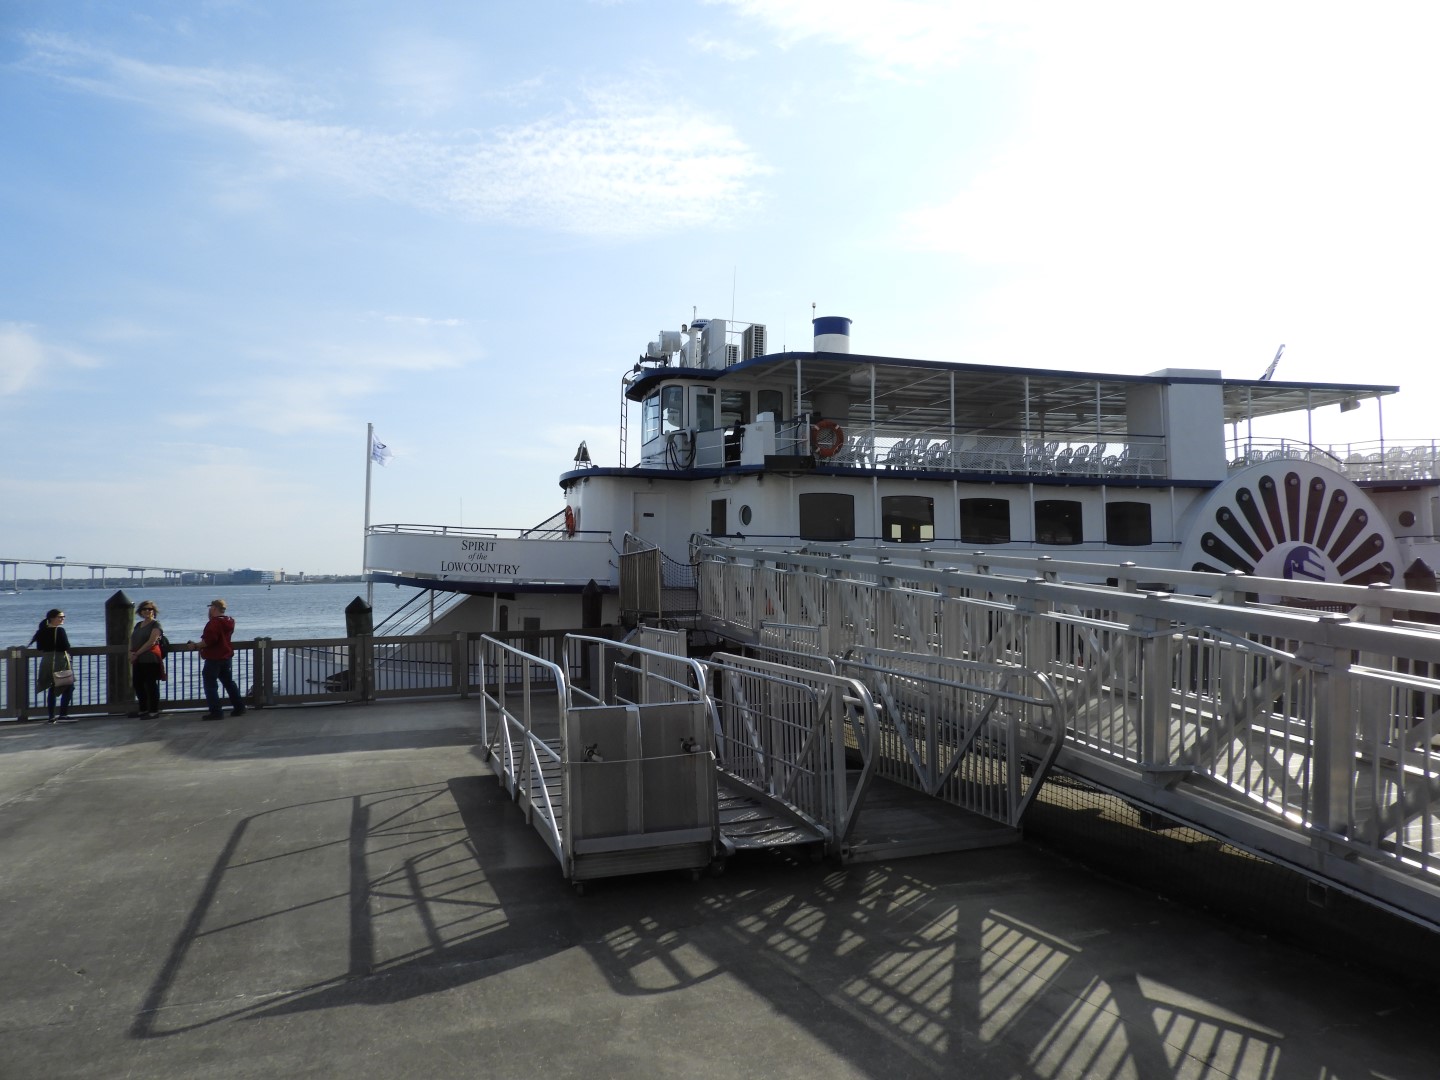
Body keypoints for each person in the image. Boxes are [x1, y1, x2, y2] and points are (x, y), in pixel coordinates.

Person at [195, 599, 246, 720]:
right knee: (229, 683)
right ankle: (239, 707)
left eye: (210, 608)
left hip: (213, 658)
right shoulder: (229, 621)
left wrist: (196, 646)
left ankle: (216, 711)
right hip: (225, 656)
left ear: (214, 608)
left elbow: (209, 640)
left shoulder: (214, 623)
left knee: (210, 685)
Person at [30, 609, 76, 723]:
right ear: (52, 618)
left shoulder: (41, 631)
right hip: (59, 661)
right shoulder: (59, 630)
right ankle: (63, 715)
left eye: (63, 617)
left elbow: (39, 648)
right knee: (69, 686)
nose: (63, 619)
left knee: (52, 688)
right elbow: (65, 646)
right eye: (60, 617)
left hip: (46, 661)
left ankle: (51, 716)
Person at [128, 601, 166, 719]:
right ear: (140, 611)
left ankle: (154, 711)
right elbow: (131, 639)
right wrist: (130, 652)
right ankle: (143, 709)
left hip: (150, 658)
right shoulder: (138, 625)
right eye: (144, 609)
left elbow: (151, 642)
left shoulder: (156, 625)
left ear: (153, 611)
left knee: (151, 685)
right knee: (137, 684)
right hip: (138, 660)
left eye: (150, 609)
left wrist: (137, 653)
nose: (147, 611)